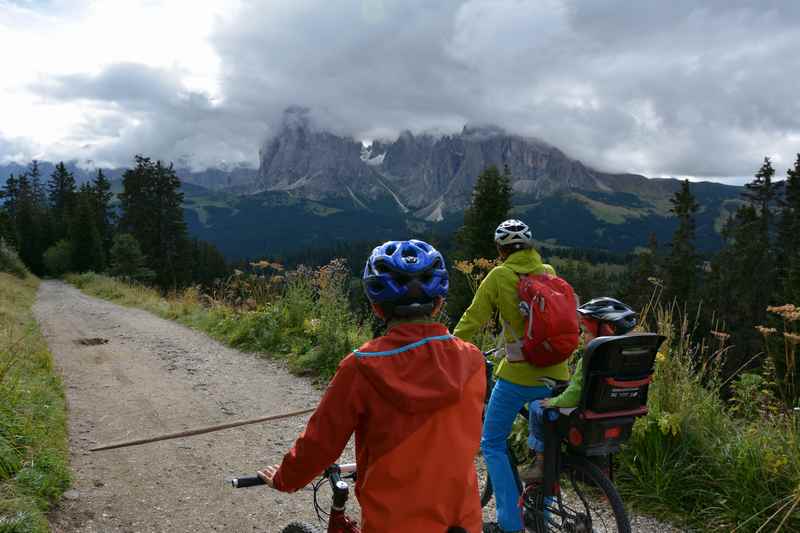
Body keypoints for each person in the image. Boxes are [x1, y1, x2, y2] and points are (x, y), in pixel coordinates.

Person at [257, 239, 486, 533]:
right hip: (462, 522)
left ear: (377, 308)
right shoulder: (473, 360)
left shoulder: (361, 366)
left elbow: (320, 444)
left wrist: (284, 478)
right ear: (439, 303)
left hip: (394, 523)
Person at [453, 219, 567, 533]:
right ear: (529, 246)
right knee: (545, 445)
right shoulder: (549, 272)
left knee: (491, 443)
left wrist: (450, 347)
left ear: (501, 250)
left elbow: (473, 318)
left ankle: (510, 523)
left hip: (518, 377)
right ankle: (539, 514)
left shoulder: (500, 275)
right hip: (558, 375)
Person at [523, 297, 638, 482]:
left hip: (582, 414)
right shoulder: (626, 359)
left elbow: (574, 395)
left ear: (604, 330)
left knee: (537, 407)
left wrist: (553, 402)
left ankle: (541, 462)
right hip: (615, 412)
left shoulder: (590, 360)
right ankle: (600, 470)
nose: (583, 336)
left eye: (586, 331)